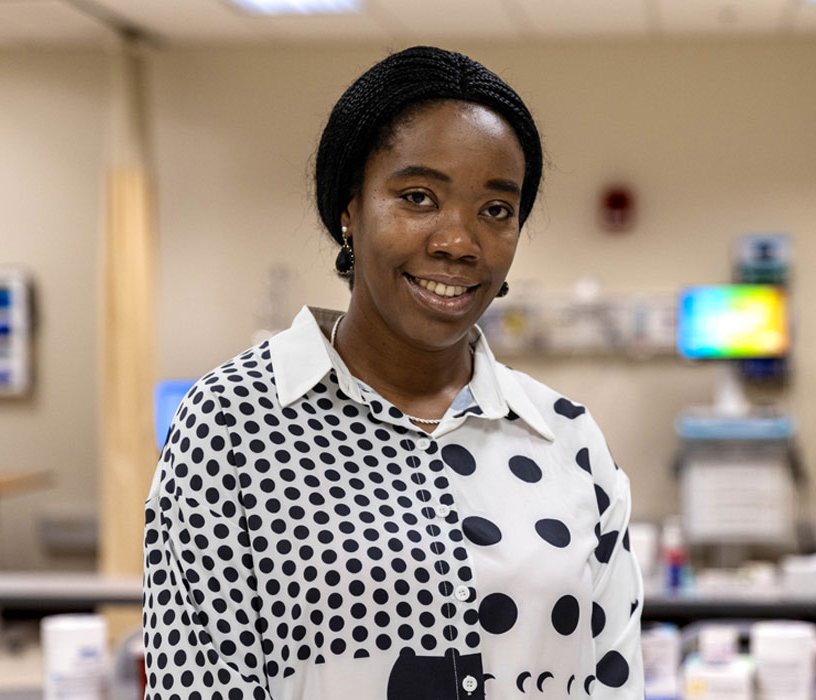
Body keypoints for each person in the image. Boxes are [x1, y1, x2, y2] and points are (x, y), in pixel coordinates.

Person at [143, 45, 644, 700]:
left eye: (496, 210)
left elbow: (611, 681)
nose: (458, 241)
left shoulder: (568, 441)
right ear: (349, 206)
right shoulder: (232, 425)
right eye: (418, 197)